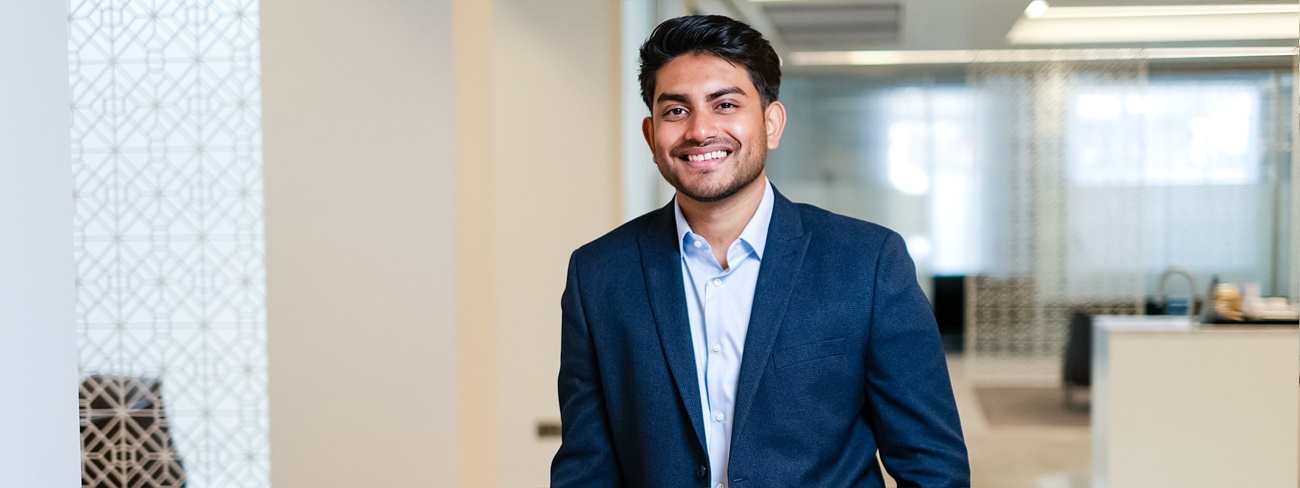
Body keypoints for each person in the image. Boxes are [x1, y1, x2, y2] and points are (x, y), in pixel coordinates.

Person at [551, 14, 969, 488]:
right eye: (676, 110)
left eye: (725, 104)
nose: (700, 130)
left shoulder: (868, 263)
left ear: (771, 123)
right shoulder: (599, 275)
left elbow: (933, 466)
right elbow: (586, 469)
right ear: (651, 136)